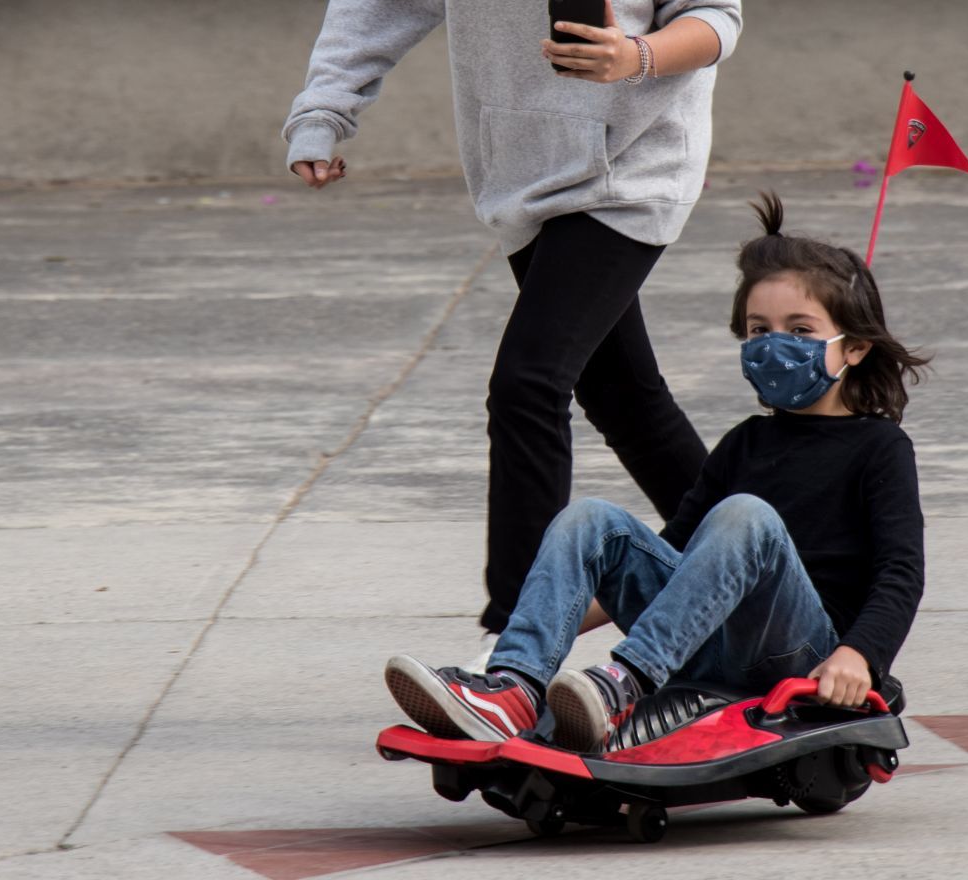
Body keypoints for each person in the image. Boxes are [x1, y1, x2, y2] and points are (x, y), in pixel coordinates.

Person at [282, 0, 742, 655]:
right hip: (522, 172)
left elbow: (718, 10)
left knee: (529, 381)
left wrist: (636, 55)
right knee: (629, 400)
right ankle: (760, 571)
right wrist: (325, 109)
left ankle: (515, 643)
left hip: (631, 163)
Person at [385, 192, 928, 752]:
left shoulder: (880, 447)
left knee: (746, 516)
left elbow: (900, 572)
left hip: (799, 652)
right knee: (591, 518)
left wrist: (858, 655)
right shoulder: (746, 441)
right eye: (758, 331)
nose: (774, 347)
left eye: (800, 330)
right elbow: (671, 553)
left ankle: (627, 682)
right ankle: (513, 684)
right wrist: (553, 617)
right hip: (707, 639)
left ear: (856, 347)